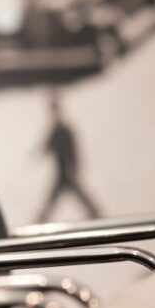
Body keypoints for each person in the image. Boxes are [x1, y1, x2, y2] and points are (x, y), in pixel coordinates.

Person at [37, 91, 101, 222]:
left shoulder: (64, 130)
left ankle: (95, 214)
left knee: (69, 195)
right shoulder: (56, 130)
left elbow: (73, 149)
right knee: (56, 197)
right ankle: (41, 220)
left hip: (67, 170)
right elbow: (47, 146)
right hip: (61, 171)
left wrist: (75, 165)